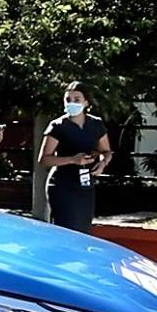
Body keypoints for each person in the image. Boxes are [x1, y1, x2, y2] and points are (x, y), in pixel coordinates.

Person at [37, 81, 111, 233]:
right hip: (62, 184)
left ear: (86, 102)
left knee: (84, 230)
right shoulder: (58, 126)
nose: (72, 103)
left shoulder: (96, 124)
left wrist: (103, 163)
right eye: (68, 99)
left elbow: (106, 151)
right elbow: (44, 159)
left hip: (85, 184)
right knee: (66, 228)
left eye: (77, 99)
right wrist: (72, 159)